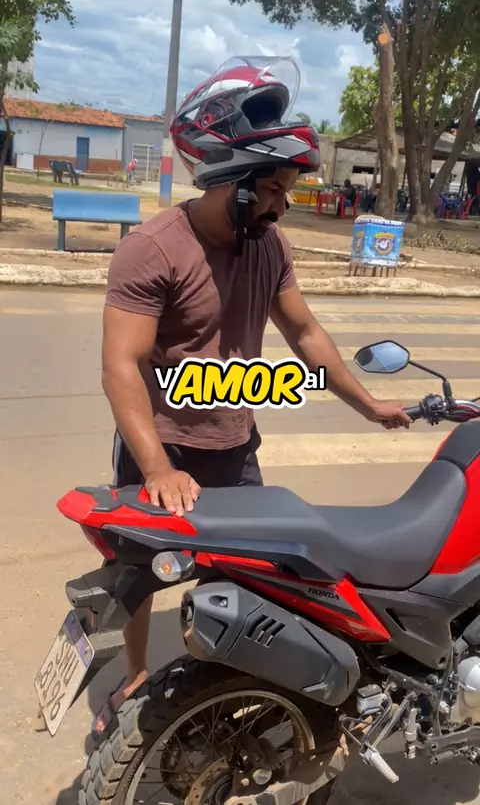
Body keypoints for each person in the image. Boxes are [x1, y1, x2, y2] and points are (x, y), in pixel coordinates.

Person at [94, 57, 411, 737]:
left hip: (235, 445)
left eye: (285, 190)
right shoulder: (152, 249)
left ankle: (234, 685)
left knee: (261, 579)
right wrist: (157, 468)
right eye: (269, 189)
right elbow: (121, 366)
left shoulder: (270, 246)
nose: (279, 205)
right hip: (161, 444)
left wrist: (369, 406)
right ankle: (137, 676)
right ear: (228, 181)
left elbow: (306, 333)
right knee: (138, 574)